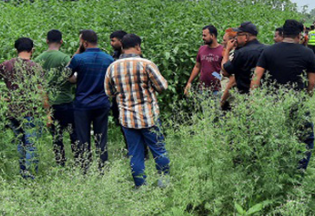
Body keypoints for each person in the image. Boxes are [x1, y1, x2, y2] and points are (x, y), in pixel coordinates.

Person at [251, 19, 315, 171]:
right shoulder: (307, 53)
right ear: (299, 35)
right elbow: (312, 82)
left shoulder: (268, 51)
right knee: (306, 138)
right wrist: (306, 96)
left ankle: (275, 170)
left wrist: (255, 100)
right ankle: (297, 173)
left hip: (272, 102)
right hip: (297, 102)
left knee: (273, 136)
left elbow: (256, 78)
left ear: (283, 33)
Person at [105, 33, 170, 188]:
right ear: (137, 46)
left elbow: (108, 92)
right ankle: (164, 182)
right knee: (158, 150)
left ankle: (141, 186)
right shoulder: (146, 64)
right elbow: (162, 87)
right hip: (149, 116)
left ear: (122, 47)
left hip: (127, 118)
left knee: (135, 153)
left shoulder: (112, 67)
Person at [0, 37, 47, 178]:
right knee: (31, 144)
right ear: (32, 50)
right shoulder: (35, 67)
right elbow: (42, 91)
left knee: (21, 142)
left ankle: (23, 172)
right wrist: (47, 111)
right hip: (30, 110)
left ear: (16, 50)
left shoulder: (7, 64)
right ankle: (30, 175)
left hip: (12, 110)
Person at [67, 29, 114, 170]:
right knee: (101, 137)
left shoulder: (78, 59)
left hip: (83, 104)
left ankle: (85, 168)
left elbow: (66, 74)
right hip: (102, 103)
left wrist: (76, 52)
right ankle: (102, 167)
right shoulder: (108, 59)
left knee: (83, 138)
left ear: (84, 43)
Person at [35, 29, 76, 166]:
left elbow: (37, 84)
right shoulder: (64, 58)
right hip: (66, 101)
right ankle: (78, 161)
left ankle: (60, 163)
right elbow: (71, 79)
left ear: (46, 41)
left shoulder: (38, 59)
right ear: (61, 41)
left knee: (56, 136)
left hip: (50, 104)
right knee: (73, 134)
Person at [220, 21, 266, 108]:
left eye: (238, 35)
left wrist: (227, 50)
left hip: (243, 98)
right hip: (261, 98)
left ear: (246, 37)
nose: (236, 38)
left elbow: (225, 71)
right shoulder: (266, 50)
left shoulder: (241, 53)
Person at [184, 25, 224, 96]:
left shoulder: (222, 50)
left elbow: (226, 72)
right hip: (202, 90)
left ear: (212, 36)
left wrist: (216, 75)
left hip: (217, 90)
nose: (203, 38)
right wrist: (189, 82)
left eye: (205, 36)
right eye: (202, 35)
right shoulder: (202, 49)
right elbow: (197, 67)